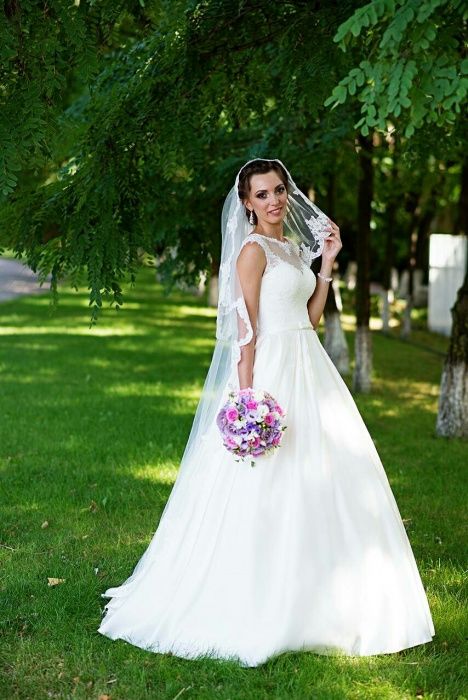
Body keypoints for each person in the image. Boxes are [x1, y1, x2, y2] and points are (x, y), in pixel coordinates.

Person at [97, 157, 435, 667]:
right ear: (247, 203)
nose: (274, 200)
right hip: (271, 374)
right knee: (266, 480)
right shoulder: (252, 252)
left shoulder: (292, 249)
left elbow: (309, 319)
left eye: (279, 190)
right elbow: (246, 333)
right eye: (262, 194)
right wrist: (247, 399)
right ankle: (256, 594)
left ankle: (329, 594)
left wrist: (326, 264)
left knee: (325, 471)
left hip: (310, 366)